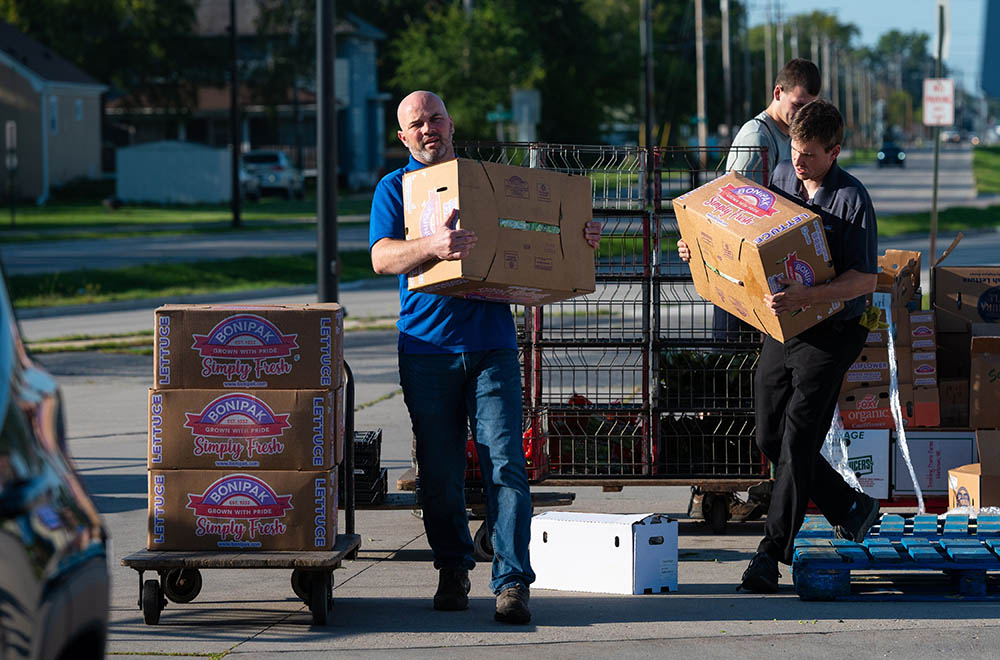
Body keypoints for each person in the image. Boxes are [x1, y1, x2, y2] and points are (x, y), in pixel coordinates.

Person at [369, 90, 602, 622]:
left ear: (451, 125)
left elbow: (540, 232)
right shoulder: (395, 188)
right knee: (441, 471)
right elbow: (382, 256)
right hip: (427, 349)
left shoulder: (486, 181)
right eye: (416, 124)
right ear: (403, 137)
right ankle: (453, 568)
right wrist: (434, 245)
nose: (428, 129)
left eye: (435, 119)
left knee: (506, 464)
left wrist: (578, 234)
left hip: (493, 345)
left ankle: (512, 581)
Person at [679, 99, 880, 593]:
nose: (798, 161)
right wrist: (697, 247)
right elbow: (751, 239)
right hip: (782, 325)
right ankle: (850, 505)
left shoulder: (852, 200)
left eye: (810, 153)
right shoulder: (781, 185)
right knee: (769, 435)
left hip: (832, 332)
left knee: (797, 439)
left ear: (834, 151)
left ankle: (770, 554)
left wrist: (812, 295)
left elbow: (865, 280)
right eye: (794, 148)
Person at [695, 58, 821, 342]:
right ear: (778, 93)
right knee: (736, 369)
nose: (803, 114)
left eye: (809, 107)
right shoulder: (757, 139)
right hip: (740, 276)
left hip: (767, 274)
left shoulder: (787, 135)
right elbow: (734, 215)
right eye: (798, 105)